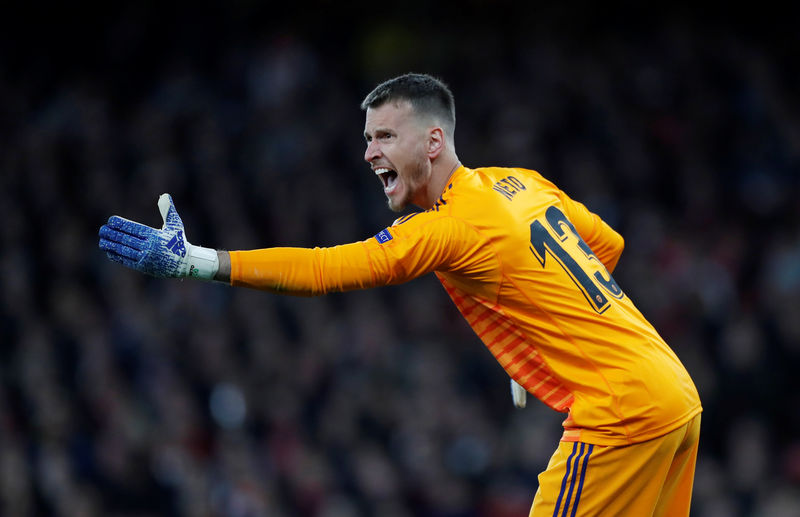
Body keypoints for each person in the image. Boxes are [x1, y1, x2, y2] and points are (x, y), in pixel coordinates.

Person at [99, 73, 702, 516]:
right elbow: (609, 245)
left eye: (384, 136)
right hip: (674, 394)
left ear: (432, 142)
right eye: (367, 138)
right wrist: (539, 323)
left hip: (620, 412)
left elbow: (330, 268)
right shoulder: (519, 182)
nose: (369, 153)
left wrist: (199, 263)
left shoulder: (447, 226)